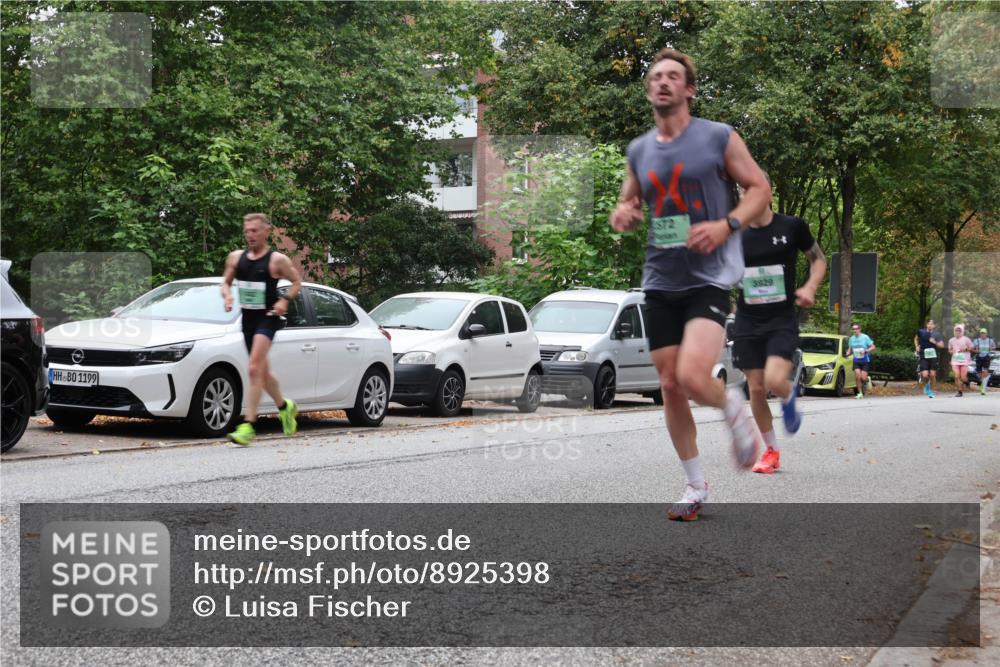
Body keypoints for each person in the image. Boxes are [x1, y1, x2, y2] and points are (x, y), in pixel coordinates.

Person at [609, 48, 771, 521]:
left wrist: (727, 224)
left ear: (689, 89)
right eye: (656, 76)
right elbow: (629, 204)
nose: (663, 82)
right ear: (649, 89)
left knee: (693, 376)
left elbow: (759, 187)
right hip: (661, 276)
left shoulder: (718, 137)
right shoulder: (639, 150)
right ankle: (695, 484)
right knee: (669, 383)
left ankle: (733, 406)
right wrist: (624, 214)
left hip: (709, 274)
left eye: (673, 76)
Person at [731, 174, 827, 474]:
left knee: (773, 380)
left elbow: (819, 259)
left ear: (767, 193)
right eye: (743, 191)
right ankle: (771, 450)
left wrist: (810, 287)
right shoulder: (735, 232)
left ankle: (787, 394)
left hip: (780, 318)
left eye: (753, 190)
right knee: (756, 388)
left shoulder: (791, 226)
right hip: (747, 318)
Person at [221, 213, 302, 445]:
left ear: (267, 231)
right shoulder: (236, 258)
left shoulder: (277, 260)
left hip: (268, 317)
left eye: (255, 231)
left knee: (254, 368)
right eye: (247, 231)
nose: (250, 235)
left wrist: (284, 300)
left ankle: (248, 425)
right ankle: (285, 407)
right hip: (248, 321)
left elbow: (297, 283)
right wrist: (227, 297)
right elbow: (225, 282)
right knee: (262, 373)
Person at [915, 319, 946, 398]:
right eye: (928, 323)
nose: (930, 325)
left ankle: (931, 388)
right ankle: (929, 389)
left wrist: (934, 342)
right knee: (925, 375)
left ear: (934, 326)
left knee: (932, 375)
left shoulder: (937, 334)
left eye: (931, 324)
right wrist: (916, 346)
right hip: (923, 355)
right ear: (926, 325)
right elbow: (915, 339)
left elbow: (942, 346)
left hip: (933, 356)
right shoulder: (921, 332)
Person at [848, 324, 876, 399]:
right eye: (853, 329)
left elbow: (873, 347)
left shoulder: (865, 337)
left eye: (856, 329)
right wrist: (847, 354)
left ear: (860, 329)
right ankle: (860, 393)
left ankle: (867, 379)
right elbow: (850, 350)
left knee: (863, 378)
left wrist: (866, 350)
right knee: (857, 376)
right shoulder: (851, 339)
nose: (855, 330)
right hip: (856, 360)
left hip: (865, 360)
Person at [948, 324, 974, 397]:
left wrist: (965, 349)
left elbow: (972, 349)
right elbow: (949, 350)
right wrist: (951, 351)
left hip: (964, 360)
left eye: (959, 330)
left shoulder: (966, 339)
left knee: (963, 378)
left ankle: (966, 382)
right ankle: (960, 391)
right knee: (956, 376)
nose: (957, 332)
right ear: (954, 331)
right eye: (956, 330)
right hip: (955, 360)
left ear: (962, 331)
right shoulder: (951, 340)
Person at [974, 328, 996, 395]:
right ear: (980, 334)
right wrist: (976, 350)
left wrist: (991, 348)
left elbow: (994, 347)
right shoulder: (976, 340)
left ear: (986, 334)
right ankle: (982, 384)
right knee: (979, 375)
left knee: (985, 372)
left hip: (987, 357)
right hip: (979, 357)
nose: (983, 334)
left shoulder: (990, 341)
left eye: (984, 333)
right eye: (981, 333)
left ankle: (983, 389)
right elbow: (973, 349)